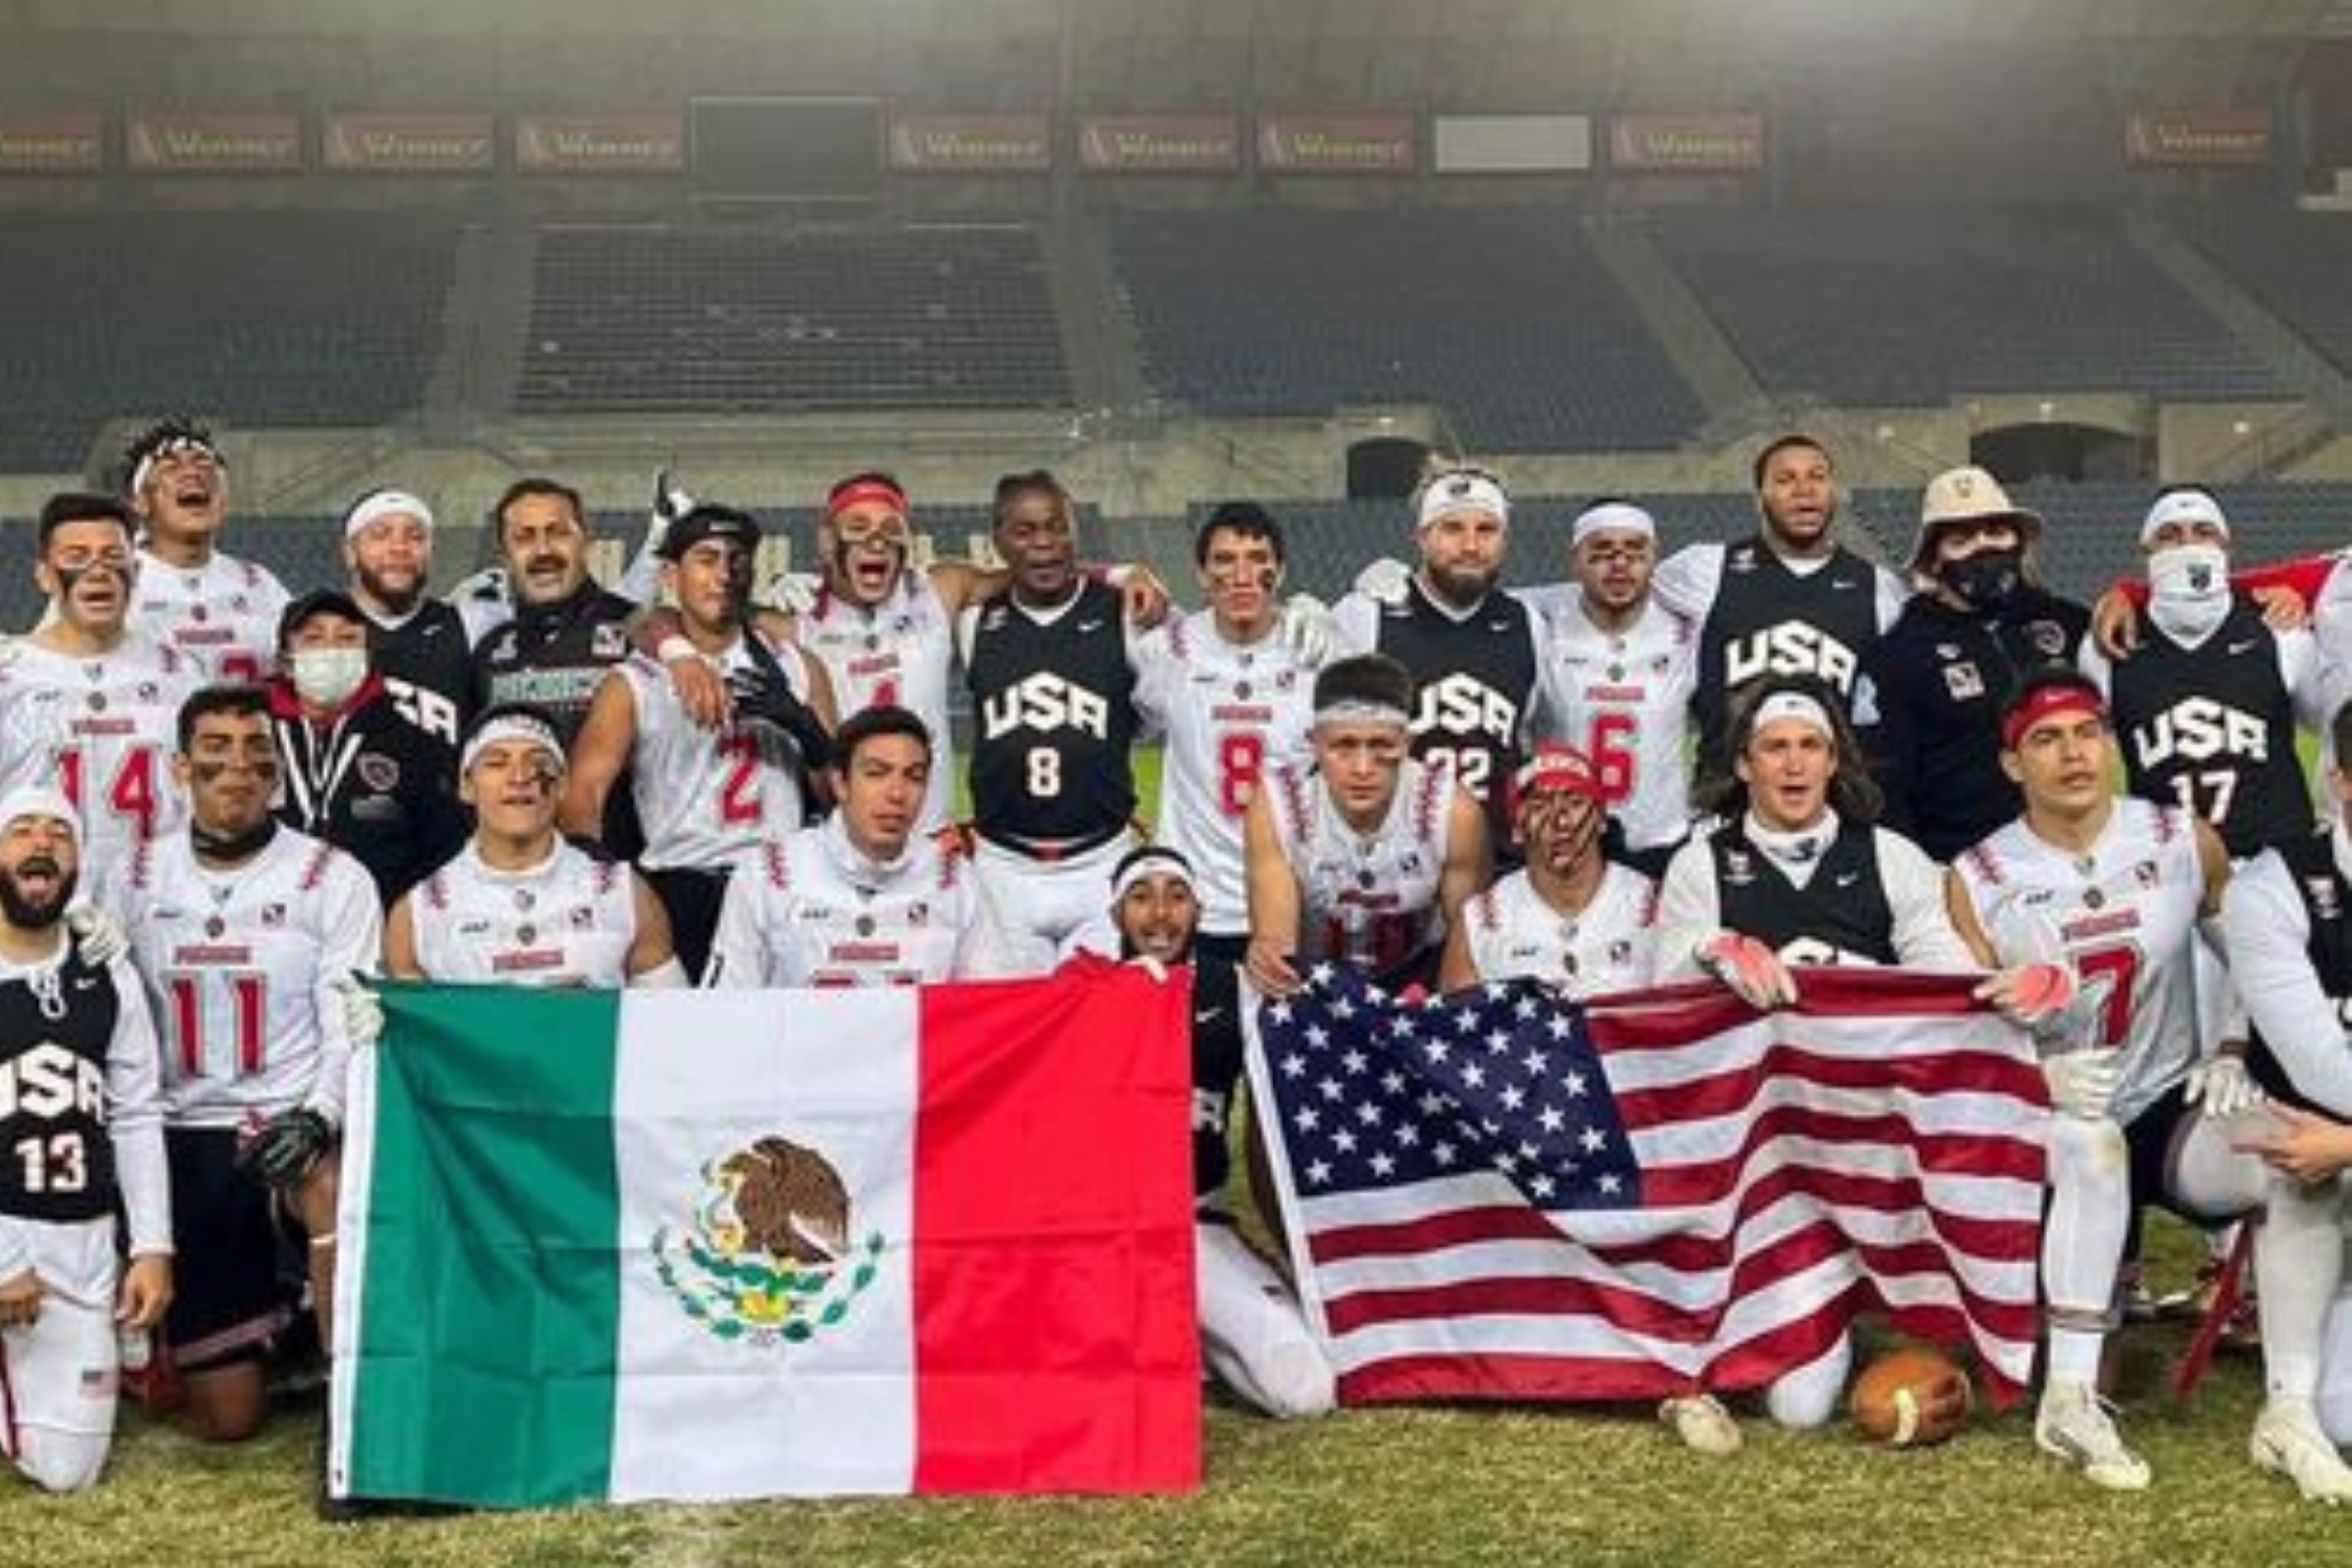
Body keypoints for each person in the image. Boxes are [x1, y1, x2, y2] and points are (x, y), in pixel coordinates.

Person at [1951, 670, 2349, 1498]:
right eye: (2046, 739)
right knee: (2088, 1306)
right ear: (2011, 762)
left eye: (2087, 732)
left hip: (2165, 1097)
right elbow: (1962, 1029)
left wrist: (2233, 1047)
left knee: (2289, 1158)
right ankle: (2067, 1399)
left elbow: (2250, 950)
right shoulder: (1979, 875)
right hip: (2049, 1115)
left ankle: (2290, 1410)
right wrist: (2035, 1076)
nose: (2073, 754)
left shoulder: (2178, 837)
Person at [1652, 674, 2067, 1454]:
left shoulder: (1891, 856)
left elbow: (1944, 980)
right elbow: (1663, 1006)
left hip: (1874, 1140)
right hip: (1766, 1155)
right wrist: (1707, 951)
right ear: (1743, 764)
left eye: (1811, 746)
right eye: (1774, 747)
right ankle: (1810, 1300)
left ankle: (1885, 1288)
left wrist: (2019, 984)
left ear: (1836, 758)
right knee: (1800, 1410)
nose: (1794, 764)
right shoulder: (1701, 866)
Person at [111, 686, 380, 1444]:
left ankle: (348, 1398)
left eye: (256, 753)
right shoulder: (131, 875)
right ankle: (270, 1336)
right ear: (180, 768)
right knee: (227, 1421)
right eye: (217, 752)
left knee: (326, 1178)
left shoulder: (332, 875)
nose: (238, 769)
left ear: (278, 773)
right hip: (182, 1128)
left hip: (284, 1112)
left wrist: (319, 1113)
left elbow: (347, 1022)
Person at [1103, 844, 1334, 1420]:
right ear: (1114, 916)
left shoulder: (1234, 988)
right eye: (1141, 897)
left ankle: (1190, 1330)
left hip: (1193, 1220)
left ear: (1200, 911)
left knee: (1307, 1386)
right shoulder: (1080, 992)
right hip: (1105, 1232)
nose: (1160, 915)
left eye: (1176, 897)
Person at [562, 504, 836, 980]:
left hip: (780, 885)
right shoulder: (635, 679)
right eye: (707, 559)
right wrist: (600, 880)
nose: (724, 574)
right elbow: (584, 794)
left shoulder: (797, 664)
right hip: (681, 884)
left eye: (737, 559)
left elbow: (839, 794)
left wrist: (805, 729)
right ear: (672, 573)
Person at [0, 788, 172, 1494]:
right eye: (20, 832)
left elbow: (135, 1113)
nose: (41, 844)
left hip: (82, 1234)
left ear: (76, 862)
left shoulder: (108, 969)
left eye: (58, 834)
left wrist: (153, 1247)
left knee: (69, 1471)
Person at [2223, 696, 2352, 1457]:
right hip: (2306, 1141)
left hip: (2339, 1148)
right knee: (2343, 1419)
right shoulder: (2272, 888)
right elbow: (2321, 1067)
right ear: (2339, 780)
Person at [960, 470, 1150, 967]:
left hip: (1100, 863)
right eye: (1025, 531)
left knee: (1095, 1030)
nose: (1044, 544)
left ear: (1075, 534)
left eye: (1056, 527)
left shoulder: (1125, 612)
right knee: (1008, 1028)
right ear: (997, 541)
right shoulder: (972, 620)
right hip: (1003, 869)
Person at [1857, 466, 2088, 860]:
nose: (1984, 547)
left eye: (1996, 532)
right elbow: (1882, 790)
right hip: (1960, 869)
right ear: (1934, 560)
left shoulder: (2071, 624)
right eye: (1961, 539)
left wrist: (2127, 595)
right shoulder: (1898, 653)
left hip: (2077, 859)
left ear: (2018, 542)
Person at [1132, 502, 1322, 981]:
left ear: (1280, 571)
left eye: (1258, 559)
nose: (1241, 575)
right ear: (1200, 573)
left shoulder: (1317, 648)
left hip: (1292, 900)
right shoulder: (1164, 651)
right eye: (1224, 560)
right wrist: (1121, 573)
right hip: (1196, 902)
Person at [2081, 488, 2324, 859]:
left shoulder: (2279, 630)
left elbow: (2331, 731)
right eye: (2169, 534)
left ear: (2227, 546)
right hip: (2167, 871)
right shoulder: (2106, 644)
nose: (2188, 545)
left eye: (2204, 531)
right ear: (2146, 552)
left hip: (2278, 862)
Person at [1652, 435, 1908, 782]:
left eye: (1817, 476)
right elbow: (1617, 595)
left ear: (1833, 492)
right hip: (1725, 797)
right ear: (1760, 499)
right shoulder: (1705, 569)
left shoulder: (1879, 588)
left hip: (1832, 800)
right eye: (1785, 479)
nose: (1804, 488)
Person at [1243, 654, 1489, 999]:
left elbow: (1471, 950)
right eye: (1343, 745)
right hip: (1316, 985)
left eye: (1381, 746)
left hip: (1420, 982)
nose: (1362, 768)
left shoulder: (1453, 810)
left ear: (1407, 743)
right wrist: (1271, 962)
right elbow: (1279, 948)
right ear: (1314, 742)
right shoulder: (1278, 806)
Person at [383, 705, 681, 988]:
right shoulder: (418, 914)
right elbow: (412, 1036)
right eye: (496, 763)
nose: (520, 777)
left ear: (563, 785)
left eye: (539, 763)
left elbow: (671, 1025)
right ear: (466, 786)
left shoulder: (624, 894)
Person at [705, 707, 997, 988]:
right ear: (840, 783)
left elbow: (998, 1005)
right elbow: (727, 1008)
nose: (897, 794)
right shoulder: (765, 874)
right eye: (876, 773)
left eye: (914, 777)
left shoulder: (956, 879)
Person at [0, 492, 206, 879]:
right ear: (44, 575)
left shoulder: (182, 675)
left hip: (156, 899)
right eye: (77, 557)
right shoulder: (10, 675)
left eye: (113, 557)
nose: (98, 571)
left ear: (136, 572)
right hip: (38, 902)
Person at [1334, 466, 1543, 844]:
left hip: (1495, 859)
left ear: (1505, 540)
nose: (1470, 546)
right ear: (1422, 538)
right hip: (1395, 861)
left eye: (1486, 530)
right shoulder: (1367, 616)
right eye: (1452, 528)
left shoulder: (1528, 623)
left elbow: (1532, 743)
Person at [1527, 500, 1698, 876]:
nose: (1619, 564)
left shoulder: (1688, 626)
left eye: (1635, 551)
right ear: (1575, 559)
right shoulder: (1538, 619)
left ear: (1656, 557)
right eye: (1602, 551)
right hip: (1565, 838)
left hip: (1662, 840)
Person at [266, 590, 465, 908]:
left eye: (347, 639)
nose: (331, 650)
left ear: (367, 659)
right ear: (285, 662)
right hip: (269, 931)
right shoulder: (252, 740)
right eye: (313, 639)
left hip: (376, 935)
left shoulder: (415, 746)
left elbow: (442, 858)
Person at [1439, 743, 1658, 997]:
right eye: (1540, 806)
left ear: (1600, 819)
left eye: (1575, 802)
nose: (1561, 822)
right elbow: (1458, 1026)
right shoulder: (1479, 921)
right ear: (1517, 829)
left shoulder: (1653, 906)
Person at [120, 417, 290, 686]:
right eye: (171, 466)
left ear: (224, 499)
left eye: (204, 464)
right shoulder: (110, 580)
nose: (193, 474)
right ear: (141, 501)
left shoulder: (260, 584)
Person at [337, 488, 473, 748]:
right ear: (350, 552)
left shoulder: (466, 625)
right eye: (380, 534)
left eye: (415, 536)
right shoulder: (315, 627)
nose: (399, 547)